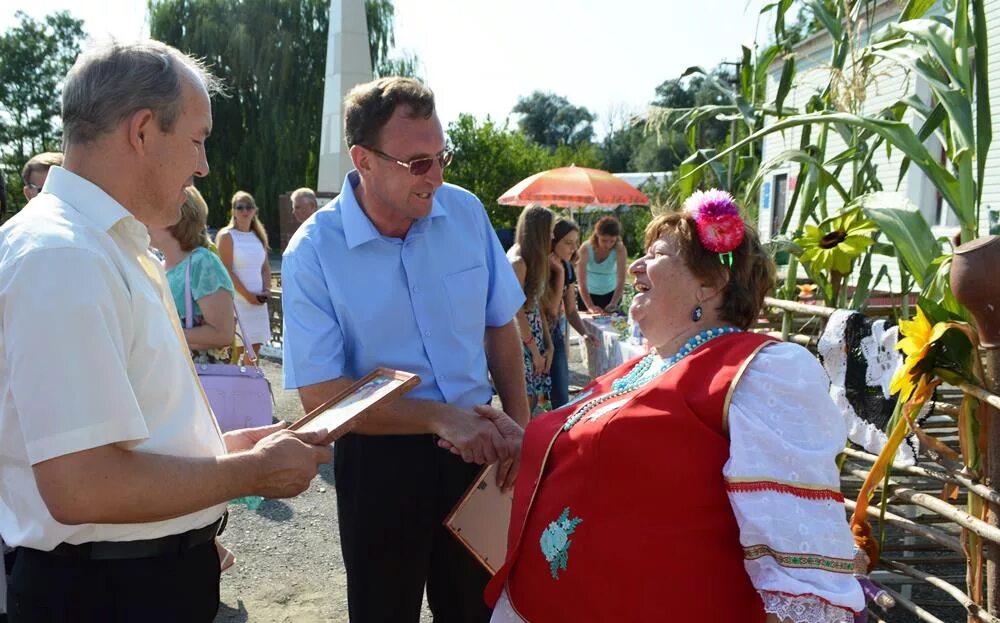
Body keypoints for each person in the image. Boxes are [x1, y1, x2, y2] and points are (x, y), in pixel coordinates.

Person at [0, 40, 331, 623]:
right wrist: (252, 472)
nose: (204, 164)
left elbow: (125, 444)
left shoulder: (103, 244)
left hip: (128, 583)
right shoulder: (63, 255)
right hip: (108, 593)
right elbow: (81, 487)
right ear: (144, 131)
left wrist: (225, 449)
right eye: (199, 139)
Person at [485, 189, 865, 622]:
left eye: (657, 254)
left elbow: (797, 560)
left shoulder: (761, 373)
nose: (638, 266)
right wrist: (525, 442)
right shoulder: (644, 366)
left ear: (710, 284)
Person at [282, 76, 530, 623]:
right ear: (363, 160)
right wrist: (441, 418)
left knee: (477, 611)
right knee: (383, 611)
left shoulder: (464, 213)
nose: (437, 176)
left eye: (442, 156)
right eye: (418, 164)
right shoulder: (314, 252)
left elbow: (498, 326)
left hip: (481, 457)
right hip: (381, 460)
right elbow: (321, 398)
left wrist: (521, 427)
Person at [542, 217, 596, 408]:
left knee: (561, 396)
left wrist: (585, 333)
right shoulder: (541, 268)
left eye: (576, 243)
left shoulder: (566, 267)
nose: (573, 248)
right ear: (552, 241)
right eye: (568, 243)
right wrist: (559, 276)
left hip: (555, 333)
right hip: (536, 335)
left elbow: (571, 311)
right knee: (532, 399)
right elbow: (550, 311)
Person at [507, 205, 554, 412]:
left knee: (536, 404)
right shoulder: (517, 261)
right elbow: (517, 313)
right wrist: (535, 351)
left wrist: (549, 344)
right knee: (524, 408)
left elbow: (535, 305)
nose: (553, 236)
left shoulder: (532, 258)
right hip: (521, 340)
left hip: (533, 338)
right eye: (550, 230)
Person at [216, 191, 271, 361]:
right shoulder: (227, 236)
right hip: (237, 302)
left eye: (249, 207)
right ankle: (233, 387)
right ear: (233, 211)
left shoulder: (258, 237)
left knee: (254, 351)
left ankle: (250, 386)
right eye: (240, 207)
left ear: (255, 211)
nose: (244, 211)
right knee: (235, 351)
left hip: (258, 302)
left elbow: (265, 268)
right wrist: (248, 296)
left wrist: (266, 291)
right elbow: (226, 270)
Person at [576, 214, 627, 314]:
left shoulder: (620, 249)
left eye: (612, 241)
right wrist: (590, 306)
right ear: (597, 235)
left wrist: (614, 303)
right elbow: (581, 282)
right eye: (604, 240)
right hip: (587, 295)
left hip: (611, 295)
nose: (608, 245)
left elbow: (621, 280)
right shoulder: (585, 248)